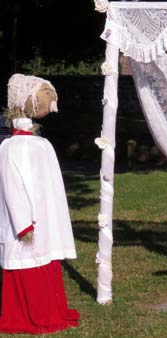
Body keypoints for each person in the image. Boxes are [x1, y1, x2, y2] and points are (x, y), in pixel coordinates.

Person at [0, 74, 79, 334]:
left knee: (46, 261)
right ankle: (27, 313)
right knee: (27, 262)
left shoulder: (41, 144)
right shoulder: (11, 147)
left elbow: (51, 187)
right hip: (26, 223)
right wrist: (23, 224)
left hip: (45, 219)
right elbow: (12, 187)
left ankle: (52, 308)